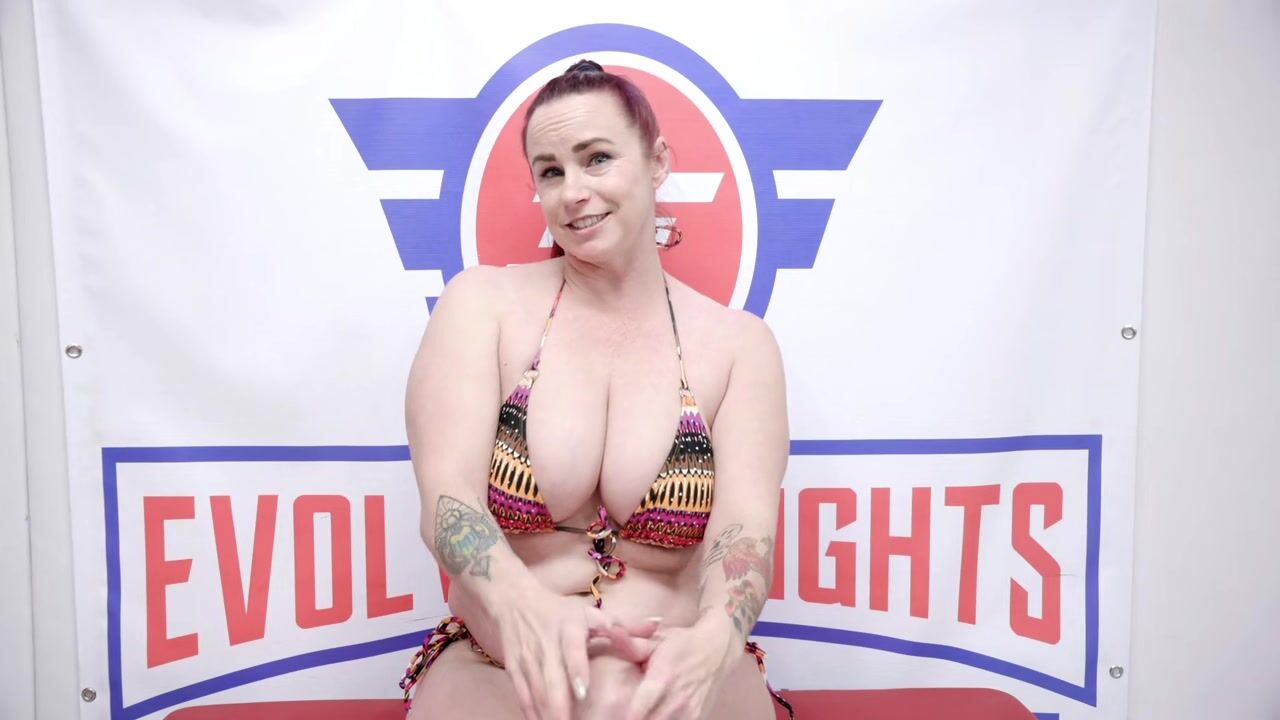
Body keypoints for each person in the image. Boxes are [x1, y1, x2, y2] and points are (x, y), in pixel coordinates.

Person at [400, 59, 792, 720]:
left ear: (657, 162)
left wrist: (716, 640)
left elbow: (745, 532)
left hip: (677, 679)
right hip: (503, 668)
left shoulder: (738, 346)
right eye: (551, 172)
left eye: (597, 159)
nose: (573, 192)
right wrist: (524, 610)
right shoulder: (482, 307)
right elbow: (447, 499)